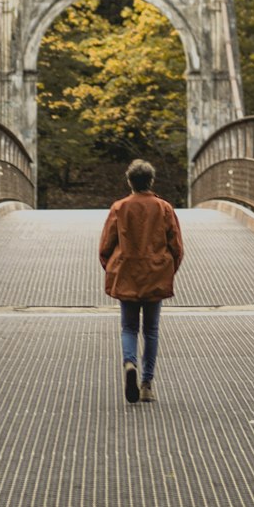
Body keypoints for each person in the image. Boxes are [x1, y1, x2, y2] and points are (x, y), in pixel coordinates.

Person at [98, 158, 184, 405]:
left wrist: (113, 269)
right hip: (155, 274)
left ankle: (129, 362)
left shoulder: (119, 208)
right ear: (151, 181)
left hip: (127, 274)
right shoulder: (164, 208)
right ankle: (147, 384)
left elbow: (106, 246)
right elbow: (176, 247)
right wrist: (167, 270)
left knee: (128, 327)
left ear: (129, 181)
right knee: (151, 330)